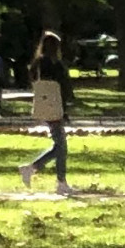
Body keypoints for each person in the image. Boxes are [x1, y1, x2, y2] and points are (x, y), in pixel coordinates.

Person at [19, 31, 74, 192]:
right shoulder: (55, 64)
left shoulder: (38, 64)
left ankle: (54, 178)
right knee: (61, 146)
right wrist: (65, 109)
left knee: (60, 145)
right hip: (55, 106)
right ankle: (53, 178)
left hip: (44, 105)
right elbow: (62, 87)